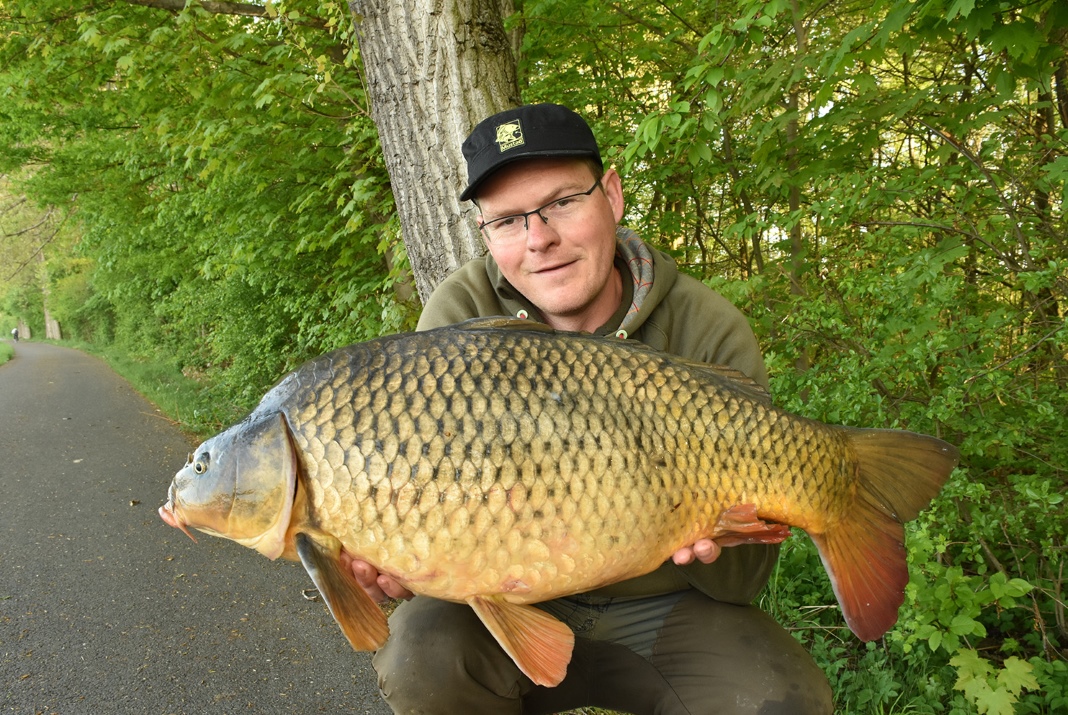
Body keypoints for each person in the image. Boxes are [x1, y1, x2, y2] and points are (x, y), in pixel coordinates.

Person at [349, 103, 834, 714]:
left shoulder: (705, 327)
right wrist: (400, 556)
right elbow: (430, 495)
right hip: (512, 607)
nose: (539, 238)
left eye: (561, 203)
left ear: (611, 194)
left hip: (665, 608)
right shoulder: (458, 319)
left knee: (781, 701)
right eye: (507, 220)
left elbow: (742, 584)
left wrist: (715, 530)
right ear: (486, 233)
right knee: (419, 656)